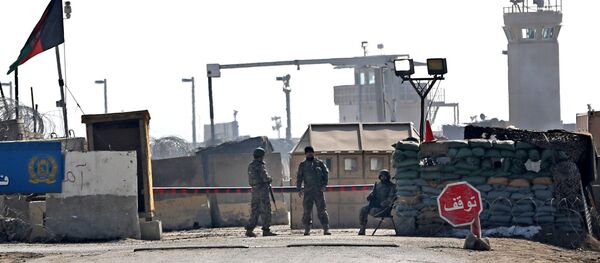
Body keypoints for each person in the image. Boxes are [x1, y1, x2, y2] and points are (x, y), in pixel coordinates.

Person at [296, 146, 331, 236]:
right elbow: (299, 177)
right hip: (308, 192)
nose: (309, 154)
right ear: (305, 154)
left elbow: (326, 174)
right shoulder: (303, 165)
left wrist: (324, 185)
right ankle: (307, 229)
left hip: (318, 191)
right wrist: (299, 189)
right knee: (307, 211)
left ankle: (326, 229)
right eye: (308, 152)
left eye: (311, 152)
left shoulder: (319, 163)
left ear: (313, 153)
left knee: (322, 211)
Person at [245, 147, 277, 237]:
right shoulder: (259, 165)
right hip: (262, 191)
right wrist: (270, 179)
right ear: (261, 156)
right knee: (266, 210)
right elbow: (265, 178)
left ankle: (249, 229)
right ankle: (266, 230)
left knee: (255, 210)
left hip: (254, 191)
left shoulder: (250, 165)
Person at [358, 169, 396, 235]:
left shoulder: (391, 186)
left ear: (388, 177)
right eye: (381, 176)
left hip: (384, 208)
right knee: (363, 209)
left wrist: (384, 203)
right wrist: (370, 197)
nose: (383, 178)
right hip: (375, 205)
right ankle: (362, 227)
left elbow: (391, 198)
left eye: (384, 176)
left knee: (373, 211)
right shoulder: (378, 185)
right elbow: (372, 194)